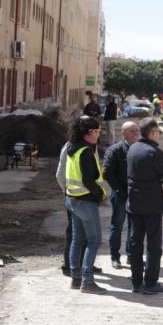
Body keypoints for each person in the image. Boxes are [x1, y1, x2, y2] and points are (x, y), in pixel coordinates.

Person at [126, 118, 163, 294]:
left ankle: (136, 282)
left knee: (135, 242)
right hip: (152, 205)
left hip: (134, 204)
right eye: (158, 132)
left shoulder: (132, 149)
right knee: (153, 245)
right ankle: (150, 283)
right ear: (152, 132)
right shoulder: (154, 152)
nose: (159, 135)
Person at [64, 116, 109, 294]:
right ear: (89, 133)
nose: (99, 134)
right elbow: (89, 180)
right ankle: (87, 281)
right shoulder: (86, 152)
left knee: (77, 239)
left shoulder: (71, 148)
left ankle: (76, 278)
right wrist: (100, 194)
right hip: (85, 201)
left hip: (72, 199)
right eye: (97, 131)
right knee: (94, 241)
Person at [102, 121, 139, 269]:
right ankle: (115, 257)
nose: (136, 133)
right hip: (120, 195)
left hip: (136, 196)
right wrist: (120, 191)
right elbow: (107, 173)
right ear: (123, 134)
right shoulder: (115, 150)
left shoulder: (141, 148)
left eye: (137, 130)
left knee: (134, 227)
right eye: (132, 131)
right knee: (117, 226)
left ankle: (131, 256)